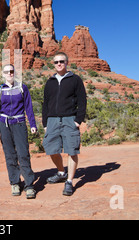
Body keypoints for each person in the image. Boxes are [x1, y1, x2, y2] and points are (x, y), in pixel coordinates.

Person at [42, 52, 87, 196]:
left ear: (67, 62)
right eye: (56, 62)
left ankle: (69, 181)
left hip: (69, 119)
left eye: (61, 61)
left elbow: (82, 101)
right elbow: (45, 103)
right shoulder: (50, 81)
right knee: (51, 149)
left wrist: (78, 120)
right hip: (52, 120)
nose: (59, 64)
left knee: (72, 150)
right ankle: (61, 172)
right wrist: (45, 123)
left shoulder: (75, 79)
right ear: (53, 64)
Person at [0, 64, 38, 199]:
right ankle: (15, 183)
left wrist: (33, 124)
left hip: (19, 123)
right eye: (7, 72)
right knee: (10, 155)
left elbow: (28, 107)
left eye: (11, 71)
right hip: (4, 124)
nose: (10, 74)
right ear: (3, 74)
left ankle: (29, 185)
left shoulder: (22, 88)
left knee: (23, 153)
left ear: (14, 73)